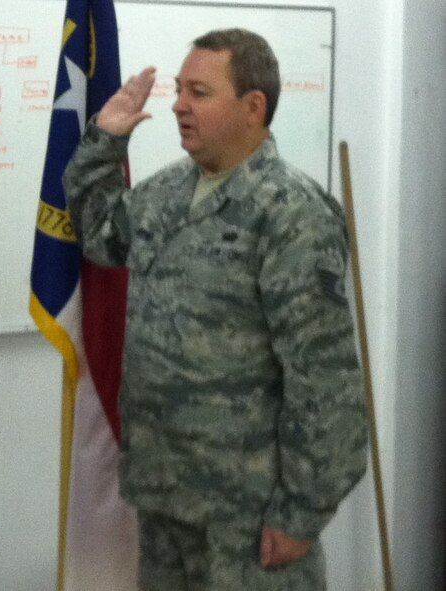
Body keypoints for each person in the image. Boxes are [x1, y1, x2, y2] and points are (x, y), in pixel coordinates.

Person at [63, 29, 367, 590]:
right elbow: (99, 235)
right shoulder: (167, 193)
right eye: (179, 89)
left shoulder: (290, 214)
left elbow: (326, 383)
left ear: (253, 107)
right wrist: (104, 142)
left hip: (247, 521)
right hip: (164, 500)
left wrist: (301, 514)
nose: (178, 104)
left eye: (198, 92)